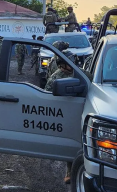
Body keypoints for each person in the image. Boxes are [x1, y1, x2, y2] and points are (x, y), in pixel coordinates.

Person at [44, 50, 76, 184]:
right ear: (62, 64)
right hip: (63, 112)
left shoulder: (78, 73)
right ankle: (69, 172)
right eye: (70, 62)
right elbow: (47, 95)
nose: (73, 63)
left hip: (77, 110)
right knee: (70, 143)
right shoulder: (56, 77)